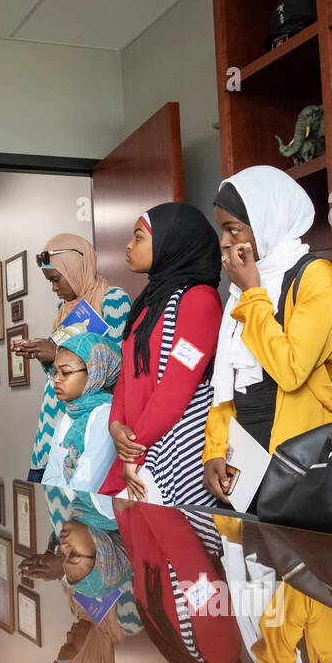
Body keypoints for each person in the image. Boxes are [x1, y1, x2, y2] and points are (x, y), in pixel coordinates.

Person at [203, 165, 332, 503]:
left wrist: (253, 292)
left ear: (267, 224)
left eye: (233, 229)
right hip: (244, 448)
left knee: (294, 552)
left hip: (297, 451)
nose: (224, 242)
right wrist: (214, 450)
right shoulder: (244, 285)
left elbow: (291, 370)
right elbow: (228, 381)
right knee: (246, 550)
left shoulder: (316, 277)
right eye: (221, 230)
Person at [98, 203, 223, 504]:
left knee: (171, 544)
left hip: (173, 454)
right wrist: (115, 427)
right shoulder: (147, 304)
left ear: (171, 243)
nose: (128, 245)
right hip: (138, 450)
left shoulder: (200, 301)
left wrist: (135, 448)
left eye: (138, 237)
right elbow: (127, 374)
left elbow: (176, 389)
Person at [14, 234, 132, 483]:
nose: (54, 288)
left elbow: (118, 366)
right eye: (50, 282)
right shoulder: (63, 310)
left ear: (76, 267)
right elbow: (62, 370)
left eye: (56, 279)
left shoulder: (112, 299)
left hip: (89, 428)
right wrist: (45, 356)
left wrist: (55, 351)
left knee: (80, 511)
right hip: (53, 420)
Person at [39, 334, 121, 493]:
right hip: (70, 509)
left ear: (94, 373)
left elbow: (86, 485)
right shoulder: (66, 418)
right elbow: (50, 479)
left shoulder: (106, 415)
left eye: (66, 372)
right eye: (55, 372)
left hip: (94, 512)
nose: (57, 379)